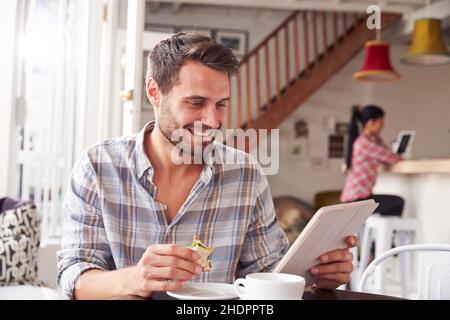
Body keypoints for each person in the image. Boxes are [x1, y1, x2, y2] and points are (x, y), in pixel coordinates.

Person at [57, 33, 358, 300]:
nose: (213, 121)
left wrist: (318, 278)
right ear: (154, 93)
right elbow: (74, 280)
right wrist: (135, 278)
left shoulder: (246, 175)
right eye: (196, 102)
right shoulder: (98, 167)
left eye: (221, 104)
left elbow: (268, 274)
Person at [341, 105, 404, 215]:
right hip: (357, 201)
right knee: (398, 202)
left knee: (394, 202)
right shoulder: (365, 143)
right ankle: (386, 232)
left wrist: (377, 137)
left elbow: (384, 155)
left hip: (355, 200)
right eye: (380, 122)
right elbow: (392, 158)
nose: (383, 125)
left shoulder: (366, 141)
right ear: (370, 122)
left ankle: (384, 231)